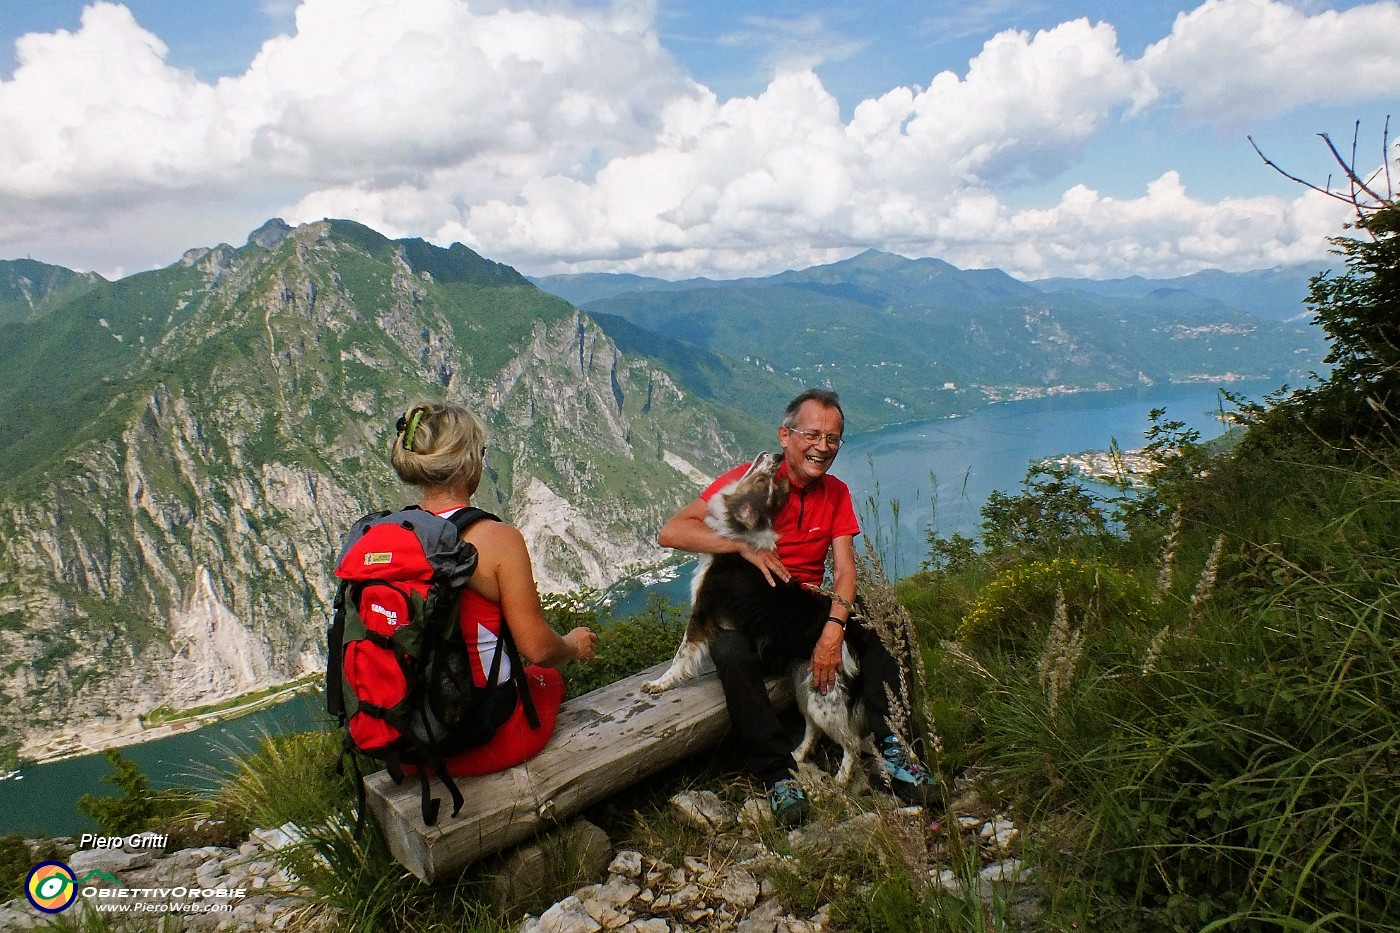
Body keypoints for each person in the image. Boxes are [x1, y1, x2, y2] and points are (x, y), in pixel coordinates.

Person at [657, 388, 936, 824]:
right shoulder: (752, 485)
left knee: (888, 620)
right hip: (755, 612)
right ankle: (777, 775)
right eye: (812, 435)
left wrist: (834, 630)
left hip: (803, 610)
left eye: (833, 439)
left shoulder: (836, 493)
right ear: (785, 435)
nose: (822, 447)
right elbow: (672, 531)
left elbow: (845, 572)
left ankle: (895, 747)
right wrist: (742, 545)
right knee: (729, 652)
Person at [391, 399, 598, 775]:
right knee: (548, 679)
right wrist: (572, 644)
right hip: (481, 738)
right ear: (469, 462)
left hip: (406, 744)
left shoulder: (389, 536)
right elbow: (538, 649)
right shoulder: (496, 539)